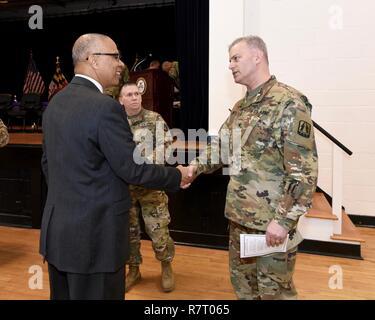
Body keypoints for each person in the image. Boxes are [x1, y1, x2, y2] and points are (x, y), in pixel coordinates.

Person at [40, 33, 190, 300]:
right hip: (96, 240)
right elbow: (133, 169)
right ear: (93, 60)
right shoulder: (105, 108)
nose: (121, 63)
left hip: (60, 236)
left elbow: (48, 164)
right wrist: (176, 175)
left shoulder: (55, 104)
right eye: (115, 56)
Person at [187, 35, 318, 300]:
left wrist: (282, 221)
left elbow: (303, 172)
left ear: (257, 56)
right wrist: (193, 168)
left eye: (236, 58)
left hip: (271, 226)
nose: (230, 65)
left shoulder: (288, 103)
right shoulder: (241, 107)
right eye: (229, 60)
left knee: (274, 293)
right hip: (240, 222)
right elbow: (221, 147)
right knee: (245, 290)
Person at [118, 82, 175, 293]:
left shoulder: (154, 119)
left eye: (136, 93)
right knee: (129, 232)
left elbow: (166, 146)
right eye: (129, 94)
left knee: (158, 228)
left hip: (152, 186)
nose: (134, 97)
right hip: (125, 188)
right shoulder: (116, 122)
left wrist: (143, 165)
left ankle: (166, 266)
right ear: (121, 100)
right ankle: (133, 269)